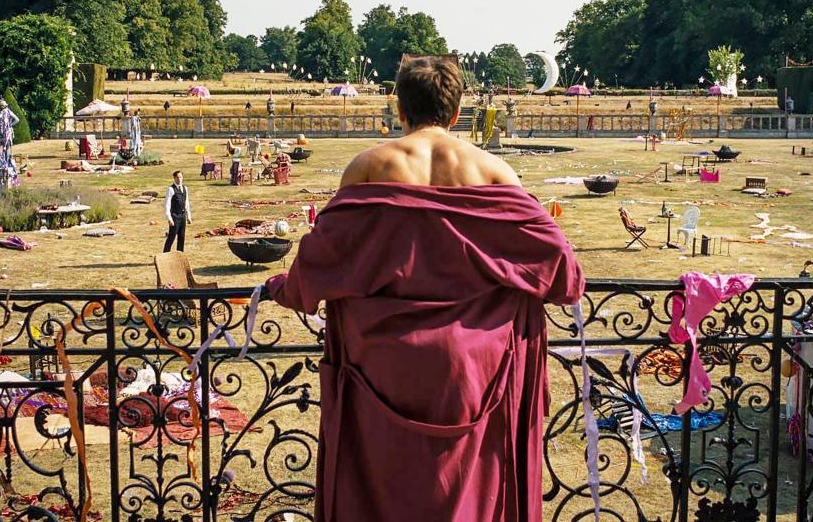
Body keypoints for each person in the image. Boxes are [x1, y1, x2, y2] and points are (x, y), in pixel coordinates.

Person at [265, 55, 584, 521]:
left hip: (380, 366)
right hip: (476, 373)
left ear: (399, 108)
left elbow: (320, 262)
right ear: (457, 112)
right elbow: (561, 271)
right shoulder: (494, 173)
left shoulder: (370, 167)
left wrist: (283, 288)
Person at [163, 170, 191, 252]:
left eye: (181, 177)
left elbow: (186, 203)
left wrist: (188, 216)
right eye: (177, 177)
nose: (179, 179)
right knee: (171, 236)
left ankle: (180, 255)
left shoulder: (185, 188)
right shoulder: (171, 189)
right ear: (174, 178)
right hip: (174, 216)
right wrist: (169, 218)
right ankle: (165, 254)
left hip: (182, 216)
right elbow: (167, 205)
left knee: (181, 237)